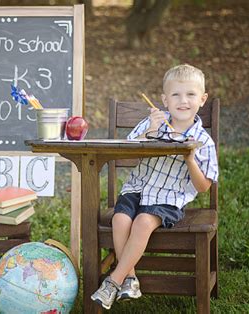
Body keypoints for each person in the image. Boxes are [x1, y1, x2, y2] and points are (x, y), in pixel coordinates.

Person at [91, 64, 219, 310]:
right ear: (164, 100)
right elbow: (124, 154)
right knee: (120, 220)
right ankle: (131, 279)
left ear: (202, 99)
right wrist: (149, 132)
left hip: (168, 198)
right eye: (176, 95)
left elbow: (203, 187)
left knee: (142, 222)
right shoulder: (154, 122)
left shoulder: (203, 141)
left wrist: (189, 158)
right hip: (137, 188)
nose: (183, 101)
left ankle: (114, 281)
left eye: (190, 95)